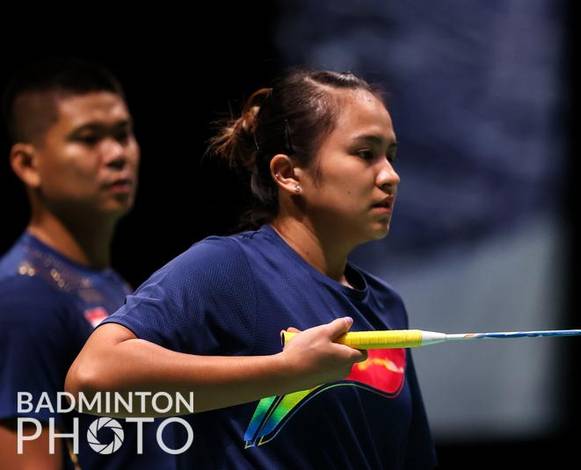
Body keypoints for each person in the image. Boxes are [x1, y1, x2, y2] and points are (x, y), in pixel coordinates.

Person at [66, 70, 437, 469]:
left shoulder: (386, 306)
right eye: (365, 154)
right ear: (288, 174)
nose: (390, 176)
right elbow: (91, 382)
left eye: (391, 156)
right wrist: (282, 372)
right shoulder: (226, 270)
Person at [0, 58, 173, 469]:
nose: (116, 154)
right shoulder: (23, 298)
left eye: (123, 134)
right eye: (88, 138)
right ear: (28, 164)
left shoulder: (111, 283)